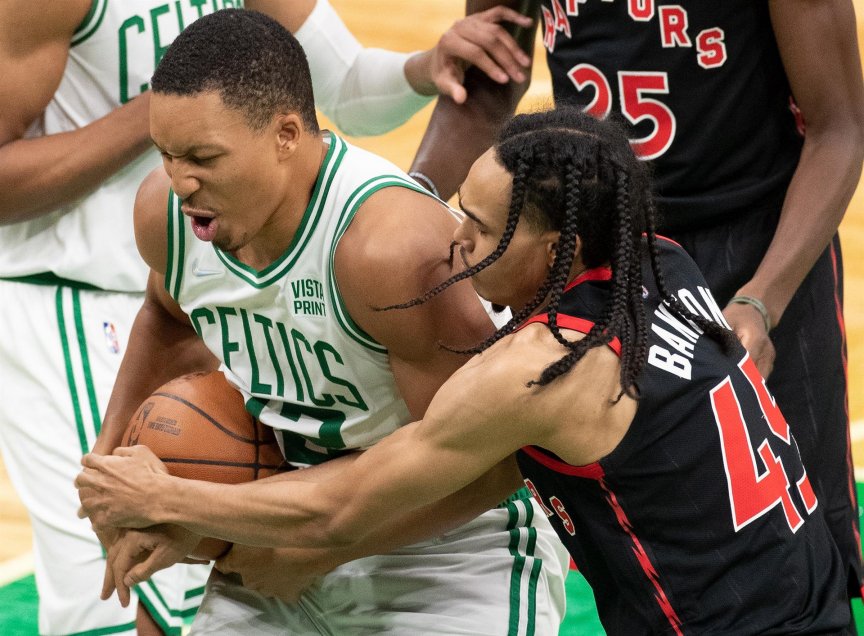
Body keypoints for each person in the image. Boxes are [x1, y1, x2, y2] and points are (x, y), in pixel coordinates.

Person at [78, 107, 853, 634]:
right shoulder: (660, 263)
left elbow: (339, 509)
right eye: (459, 210)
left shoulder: (546, 369)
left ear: (553, 249)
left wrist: (168, 498)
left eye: (483, 229)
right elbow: (494, 470)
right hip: (807, 591)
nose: (452, 239)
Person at [0, 1, 535, 634]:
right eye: (167, 155)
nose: (180, 182)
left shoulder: (390, 250)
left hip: (440, 549)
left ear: (286, 135)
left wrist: (321, 547)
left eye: (204, 156)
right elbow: (169, 319)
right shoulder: (169, 220)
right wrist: (110, 460)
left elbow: (487, 463)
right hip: (281, 518)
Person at [407, 0, 864, 607]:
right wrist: (408, 215)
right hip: (592, 250)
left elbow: (840, 126)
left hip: (758, 239)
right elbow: (492, 78)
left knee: (802, 526)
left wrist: (761, 300)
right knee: (622, 526)